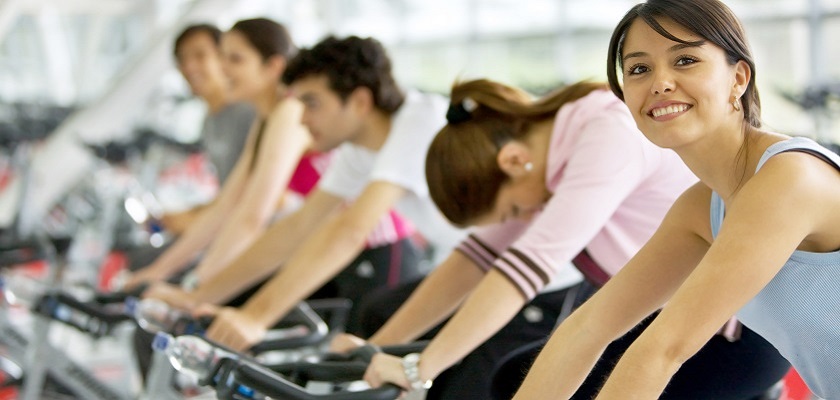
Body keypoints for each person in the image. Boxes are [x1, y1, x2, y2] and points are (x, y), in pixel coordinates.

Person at [356, 77, 790, 399]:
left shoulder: (607, 133)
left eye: (512, 211)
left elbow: (522, 270)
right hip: (665, 320)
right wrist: (377, 349)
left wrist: (418, 369)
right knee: (512, 376)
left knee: (529, 381)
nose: (523, 218)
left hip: (737, 336)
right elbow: (474, 259)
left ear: (511, 160)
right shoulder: (549, 150)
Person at [513, 0, 840, 399]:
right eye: (638, 69)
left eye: (685, 60)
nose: (660, 82)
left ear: (738, 78)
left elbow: (663, 349)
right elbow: (586, 329)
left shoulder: (790, 178)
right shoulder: (702, 207)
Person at [144, 35, 464, 348]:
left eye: (312, 103)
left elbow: (350, 231)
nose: (302, 118)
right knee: (368, 336)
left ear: (360, 102)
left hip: (486, 265)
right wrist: (198, 296)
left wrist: (255, 317)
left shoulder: (419, 120)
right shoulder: (358, 151)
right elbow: (298, 226)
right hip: (475, 259)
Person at [124, 18, 310, 290]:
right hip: (279, 252)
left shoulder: (288, 113)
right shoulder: (264, 119)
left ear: (273, 66)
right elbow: (227, 204)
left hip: (308, 259)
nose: (222, 68)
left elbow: (251, 215)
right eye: (222, 57)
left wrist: (197, 284)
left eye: (235, 59)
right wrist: (160, 271)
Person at [158, 23, 255, 234]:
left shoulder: (247, 113)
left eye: (200, 56)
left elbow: (257, 193)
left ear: (224, 59)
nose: (189, 67)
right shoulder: (209, 122)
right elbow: (229, 192)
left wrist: (196, 220)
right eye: (182, 60)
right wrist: (191, 214)